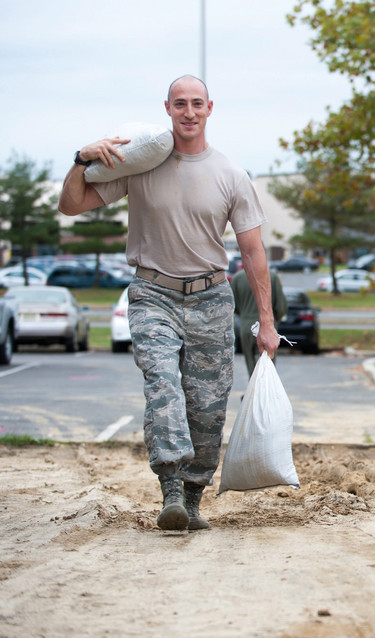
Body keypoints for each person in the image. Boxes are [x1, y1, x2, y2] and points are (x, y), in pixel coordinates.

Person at [58, 75, 280, 531]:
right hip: (151, 294)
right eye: (180, 104)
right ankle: (171, 490)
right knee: (163, 384)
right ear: (167, 109)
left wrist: (266, 322)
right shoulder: (140, 165)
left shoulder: (232, 175)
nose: (189, 112)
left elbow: (254, 254)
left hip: (211, 298)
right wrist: (80, 158)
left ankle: (193, 498)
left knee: (207, 403)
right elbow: (71, 206)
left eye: (197, 104)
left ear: (210, 108)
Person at [232, 264, 287, 378]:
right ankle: (263, 393)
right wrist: (274, 320)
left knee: (250, 362)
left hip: (246, 324)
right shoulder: (272, 276)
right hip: (267, 324)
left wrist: (244, 315)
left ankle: (252, 392)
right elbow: (281, 307)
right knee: (267, 364)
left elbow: (233, 305)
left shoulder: (238, 278)